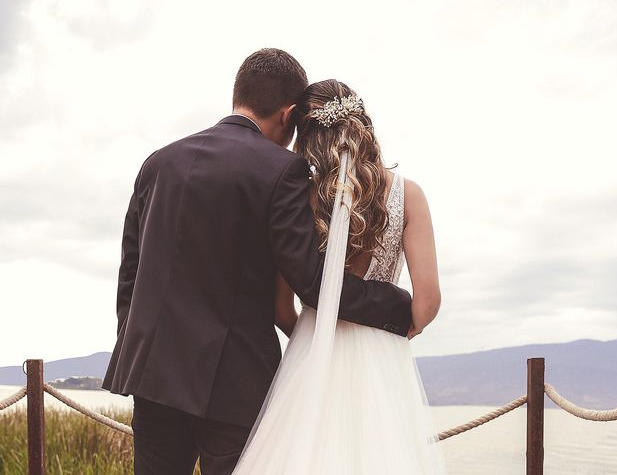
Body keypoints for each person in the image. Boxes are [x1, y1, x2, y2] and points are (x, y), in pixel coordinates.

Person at [101, 49, 413, 475]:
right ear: (287, 115)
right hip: (235, 383)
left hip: (155, 377)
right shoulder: (282, 170)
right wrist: (395, 306)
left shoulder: (158, 163)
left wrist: (136, 342)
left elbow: (130, 274)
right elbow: (309, 278)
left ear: (239, 94)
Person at [232, 80, 447, 474]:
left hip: (313, 357)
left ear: (311, 138)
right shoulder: (408, 194)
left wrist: (312, 331)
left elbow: (281, 308)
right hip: (384, 362)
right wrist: (404, 326)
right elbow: (428, 302)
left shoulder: (305, 198)